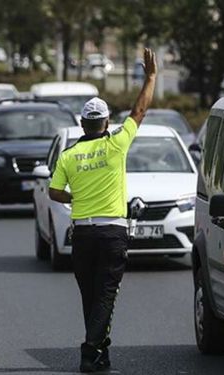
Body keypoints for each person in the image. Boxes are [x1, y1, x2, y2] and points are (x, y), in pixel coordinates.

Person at [48, 48, 157, 373]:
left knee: (91, 295)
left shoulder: (69, 155)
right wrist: (150, 77)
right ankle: (89, 350)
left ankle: (100, 352)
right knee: (106, 294)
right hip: (113, 232)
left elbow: (54, 192)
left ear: (82, 124)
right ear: (107, 122)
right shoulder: (116, 144)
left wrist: (75, 198)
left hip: (82, 232)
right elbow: (139, 111)